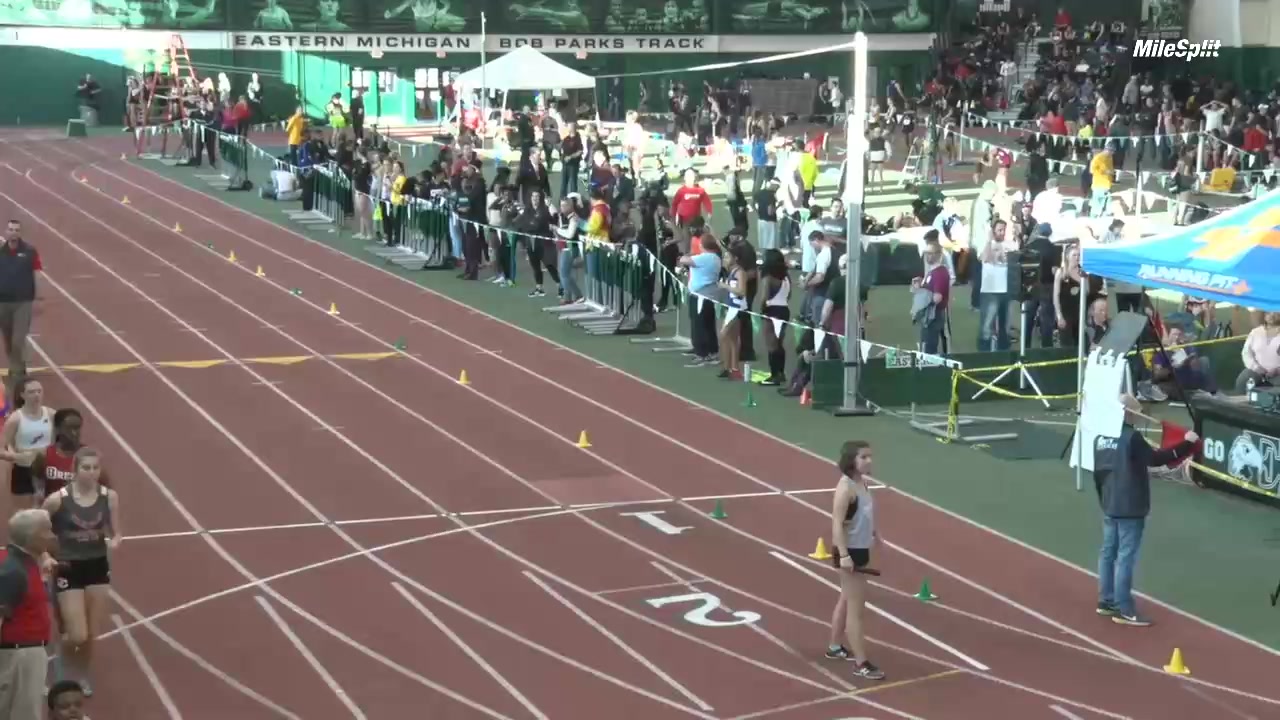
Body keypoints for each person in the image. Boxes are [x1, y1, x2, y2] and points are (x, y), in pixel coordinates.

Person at [1092, 396, 1197, 626]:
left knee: (1108, 552)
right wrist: (1187, 443)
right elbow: (1155, 458)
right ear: (1128, 413)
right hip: (1130, 505)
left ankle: (1106, 600)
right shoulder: (1132, 437)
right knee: (1125, 557)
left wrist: (1103, 500)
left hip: (1109, 502)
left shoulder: (1100, 437)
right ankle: (1125, 608)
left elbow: (1097, 473)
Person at [43, 447, 121, 696]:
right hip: (68, 567)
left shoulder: (109, 497)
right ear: (75, 470)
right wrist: (45, 556)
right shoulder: (57, 500)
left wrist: (116, 541)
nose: (91, 472)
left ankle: (82, 677)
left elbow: (116, 531)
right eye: (86, 468)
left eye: (95, 468)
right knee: (76, 634)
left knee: (90, 635)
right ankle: (60, 666)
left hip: (97, 566)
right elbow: (39, 531)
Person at [824, 440, 884, 680]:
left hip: (860, 548)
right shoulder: (845, 488)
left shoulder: (862, 484)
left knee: (846, 599)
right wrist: (845, 556)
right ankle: (861, 663)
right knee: (856, 610)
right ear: (852, 461)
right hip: (849, 551)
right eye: (864, 457)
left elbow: (863, 516)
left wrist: (876, 535)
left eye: (870, 456)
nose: (869, 461)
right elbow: (836, 524)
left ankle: (834, 647)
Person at [0, 508, 57, 720]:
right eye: (47, 531)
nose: (53, 535)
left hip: (24, 653)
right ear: (32, 537)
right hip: (18, 658)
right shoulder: (12, 571)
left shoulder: (24, 561)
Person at [0, 220, 41, 404]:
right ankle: (18, 367)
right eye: (11, 229)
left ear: (20, 233)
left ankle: (17, 376)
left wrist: (37, 296)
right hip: (3, 302)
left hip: (23, 302)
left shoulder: (30, 252)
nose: (13, 233)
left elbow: (37, 273)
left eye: (17, 230)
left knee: (18, 339)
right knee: (8, 340)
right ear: (6, 232)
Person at [32, 409, 111, 505]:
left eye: (77, 428)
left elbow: (106, 487)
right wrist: (39, 495)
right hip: (53, 513)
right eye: (69, 428)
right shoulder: (44, 455)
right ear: (57, 429)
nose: (74, 433)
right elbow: (37, 477)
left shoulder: (90, 457)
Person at [2, 378, 54, 509]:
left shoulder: (52, 414)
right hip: (24, 469)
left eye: (39, 391)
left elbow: (62, 442)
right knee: (25, 513)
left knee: (48, 511)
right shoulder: (15, 419)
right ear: (22, 395)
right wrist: (18, 457)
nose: (37, 395)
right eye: (31, 392)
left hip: (47, 468)